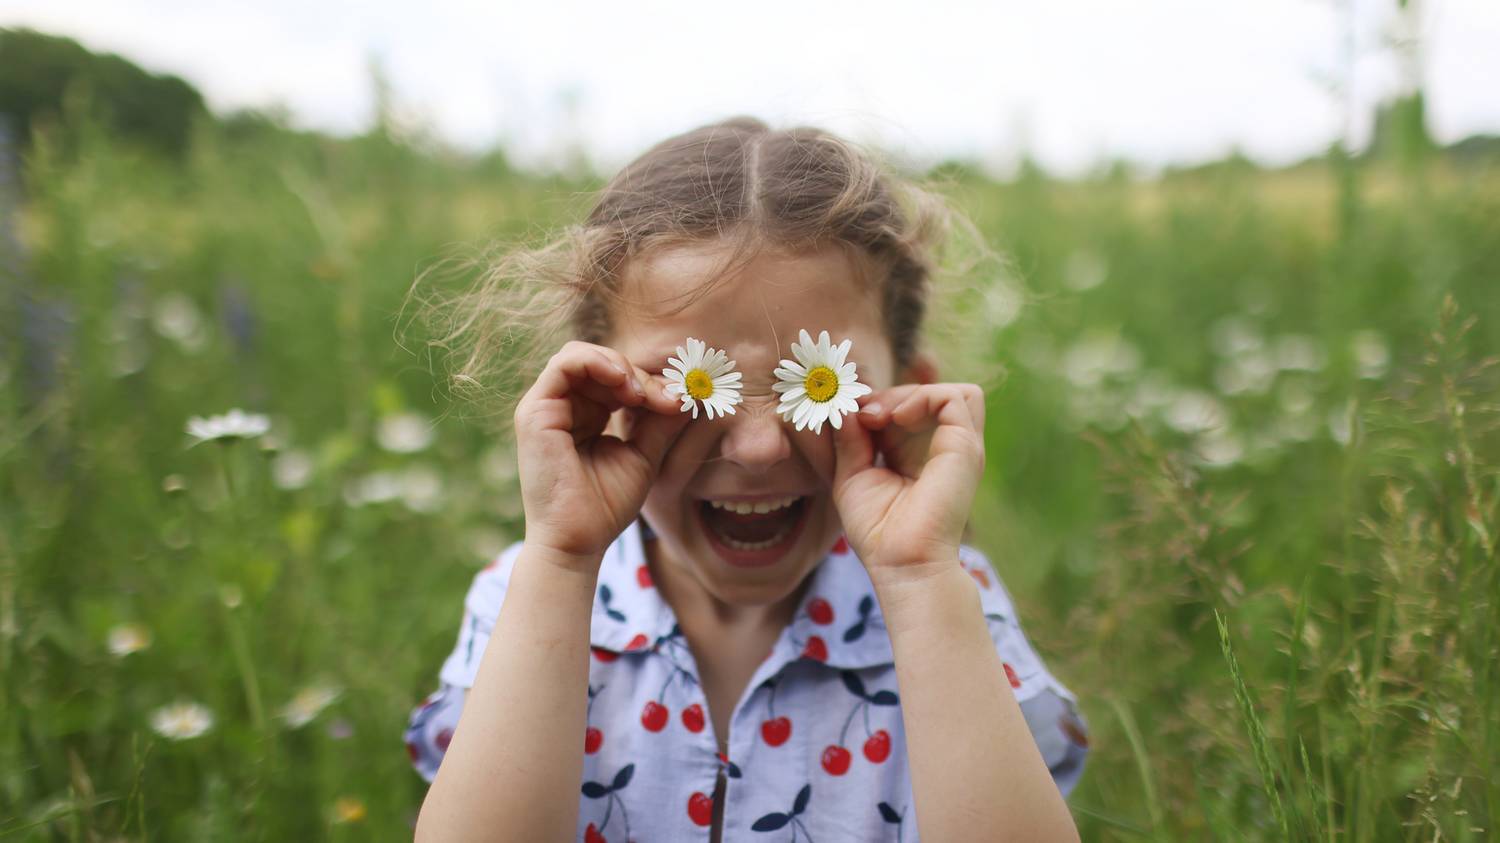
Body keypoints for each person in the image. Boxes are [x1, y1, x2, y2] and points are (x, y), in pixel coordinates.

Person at [403, 116, 1089, 842]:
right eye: (693, 384)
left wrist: (921, 578)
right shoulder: (531, 595)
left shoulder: (953, 605)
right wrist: (562, 558)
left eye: (823, 385)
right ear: (597, 397)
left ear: (906, 399)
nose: (759, 446)